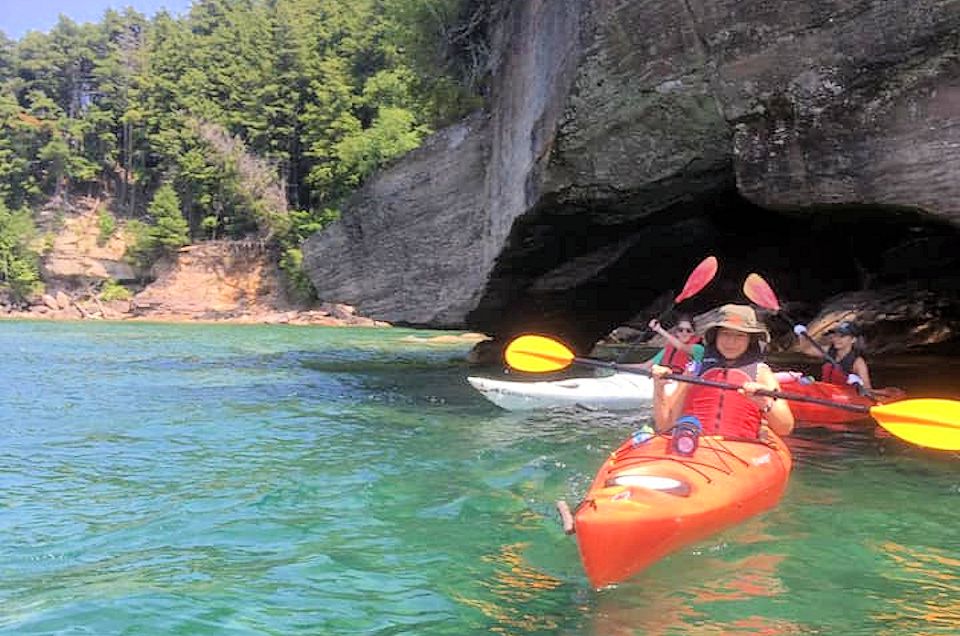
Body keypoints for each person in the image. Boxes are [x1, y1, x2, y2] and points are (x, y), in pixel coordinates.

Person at [651, 304, 794, 438]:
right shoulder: (694, 371)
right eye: (725, 333)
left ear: (750, 340)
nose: (731, 342)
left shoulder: (761, 373)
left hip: (741, 451)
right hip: (696, 447)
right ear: (716, 336)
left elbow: (785, 428)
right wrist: (659, 387)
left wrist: (766, 403)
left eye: (740, 335)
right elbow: (665, 426)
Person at [632, 315, 704, 372]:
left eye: (688, 331)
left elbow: (681, 347)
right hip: (666, 380)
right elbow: (645, 366)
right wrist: (621, 367)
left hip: (683, 385)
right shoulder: (670, 347)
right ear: (676, 332)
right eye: (680, 330)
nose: (684, 333)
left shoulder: (698, 349)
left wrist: (658, 329)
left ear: (693, 333)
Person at [820, 320, 872, 390]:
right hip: (825, 392)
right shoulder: (829, 352)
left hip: (844, 398)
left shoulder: (858, 362)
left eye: (842, 336)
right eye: (836, 335)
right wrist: (802, 335)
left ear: (853, 339)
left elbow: (868, 389)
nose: (837, 339)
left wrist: (860, 384)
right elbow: (806, 348)